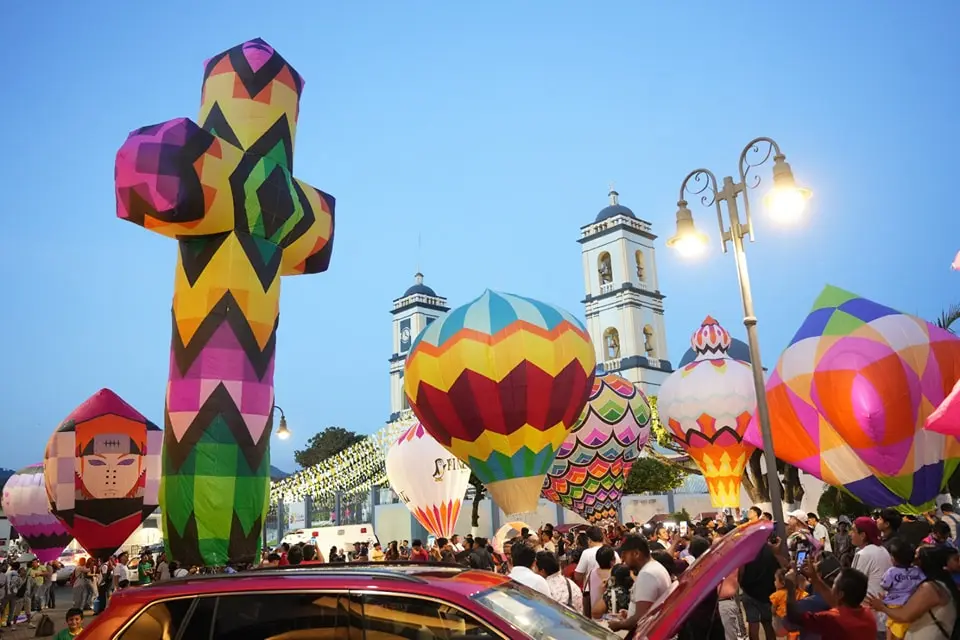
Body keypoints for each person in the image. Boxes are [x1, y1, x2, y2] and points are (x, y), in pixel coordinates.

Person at [867, 544, 959, 639]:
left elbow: (904, 615)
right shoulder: (943, 584)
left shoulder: (930, 588)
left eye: (917, 558)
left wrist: (882, 607)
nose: (913, 561)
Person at [786, 566, 876, 639]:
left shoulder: (831, 619)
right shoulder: (868, 615)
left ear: (840, 594)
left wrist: (790, 587)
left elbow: (794, 617)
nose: (832, 587)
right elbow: (836, 602)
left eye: (834, 584)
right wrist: (815, 579)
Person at [608, 535, 672, 635]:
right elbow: (648, 609)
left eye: (625, 554)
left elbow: (641, 617)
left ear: (636, 553)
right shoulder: (654, 568)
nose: (623, 559)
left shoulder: (647, 574)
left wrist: (619, 625)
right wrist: (629, 614)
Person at [740, 533, 788, 640]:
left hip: (749, 591)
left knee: (753, 623)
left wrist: (742, 584)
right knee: (768, 623)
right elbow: (785, 568)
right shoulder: (771, 551)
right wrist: (777, 552)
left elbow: (741, 571)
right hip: (767, 593)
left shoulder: (747, 551)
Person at [851, 516, 893, 636]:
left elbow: (853, 587)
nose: (850, 534)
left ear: (863, 535)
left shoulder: (863, 554)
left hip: (869, 617)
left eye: (853, 530)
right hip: (883, 618)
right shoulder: (883, 550)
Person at [878, 539, 926, 639]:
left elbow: (884, 585)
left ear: (895, 559)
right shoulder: (917, 570)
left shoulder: (891, 571)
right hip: (911, 605)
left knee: (890, 626)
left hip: (893, 605)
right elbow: (922, 581)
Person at [574, 526, 620, 610]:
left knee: (593, 618)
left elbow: (577, 576)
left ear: (589, 539)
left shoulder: (587, 553)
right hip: (613, 592)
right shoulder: (613, 552)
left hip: (590, 593)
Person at [771, 568, 807, 639]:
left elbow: (773, 610)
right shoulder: (801, 593)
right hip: (798, 624)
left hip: (782, 627)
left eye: (776, 580)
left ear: (783, 583)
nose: (774, 582)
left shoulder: (778, 595)